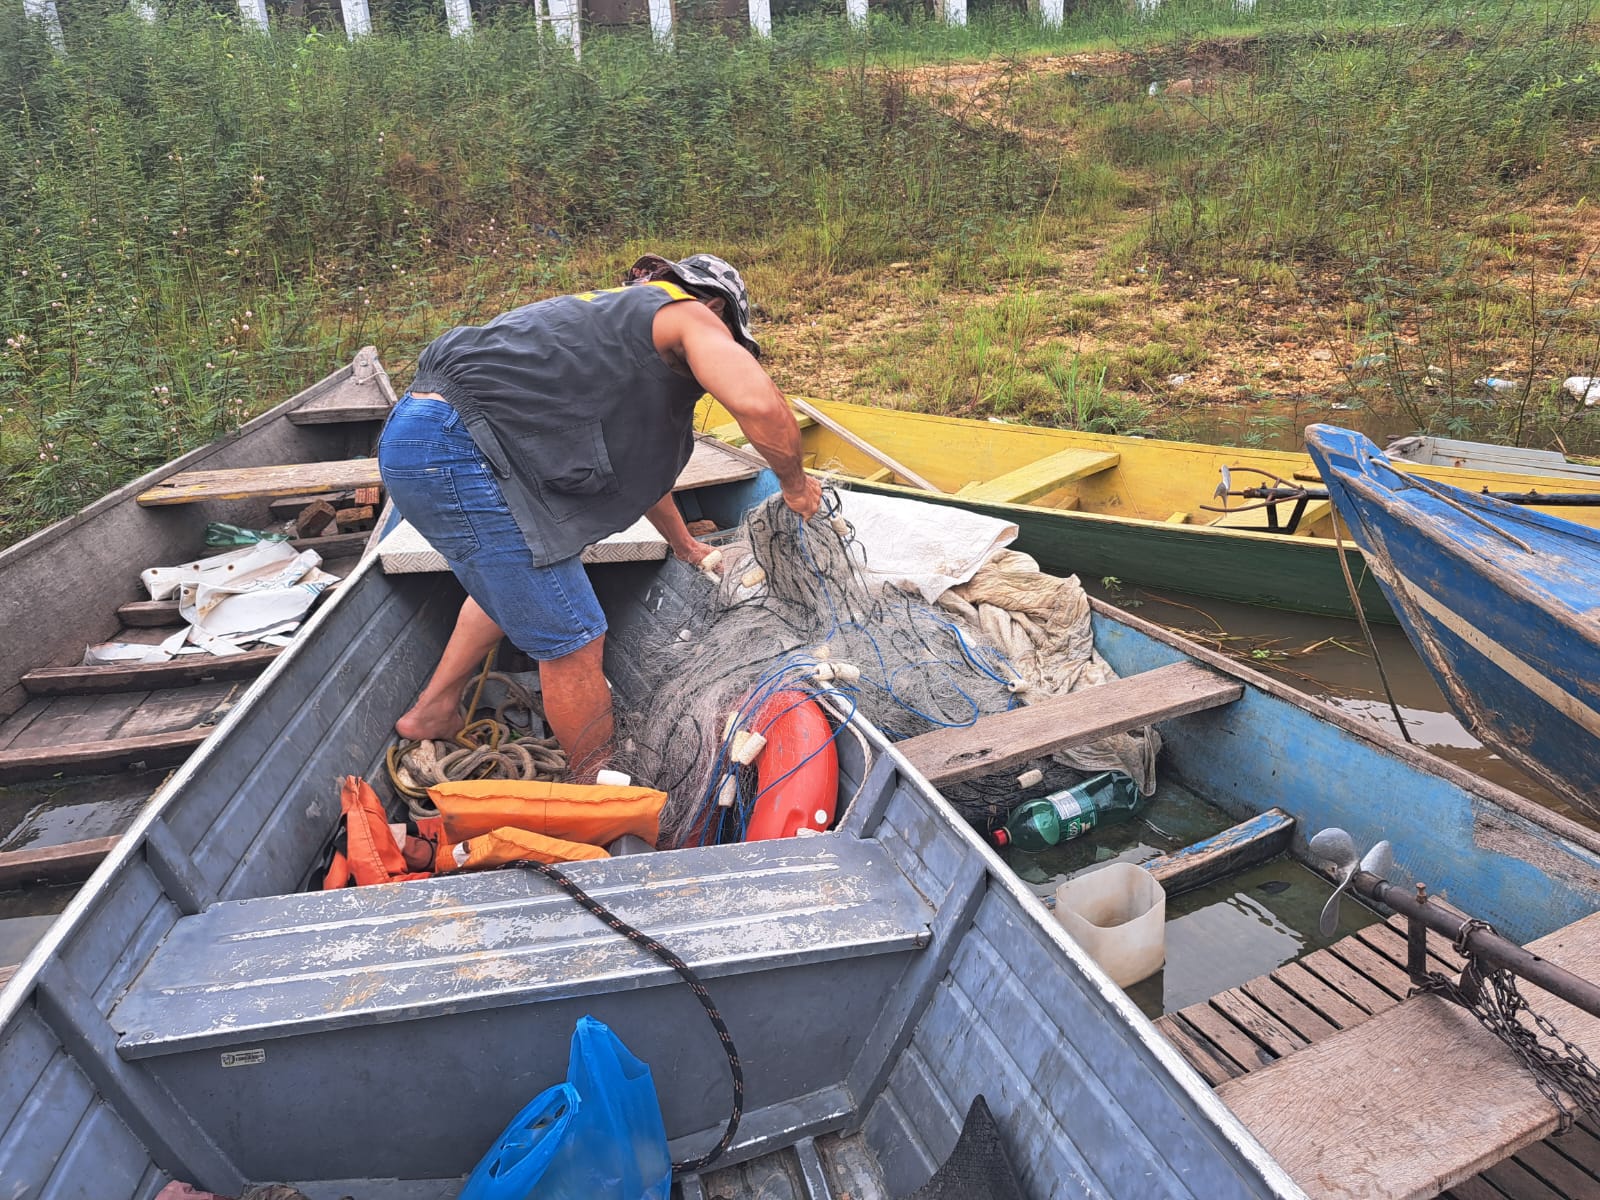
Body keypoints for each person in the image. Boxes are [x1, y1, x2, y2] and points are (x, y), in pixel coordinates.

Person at [377, 253, 821, 776]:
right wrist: (795, 486)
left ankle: (432, 710)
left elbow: (637, 472)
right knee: (575, 637)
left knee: (515, 587)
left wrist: (685, 546)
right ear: (715, 305)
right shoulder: (688, 314)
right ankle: (600, 790)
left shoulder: (606, 332)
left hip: (417, 435)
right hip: (459, 447)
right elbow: (759, 404)